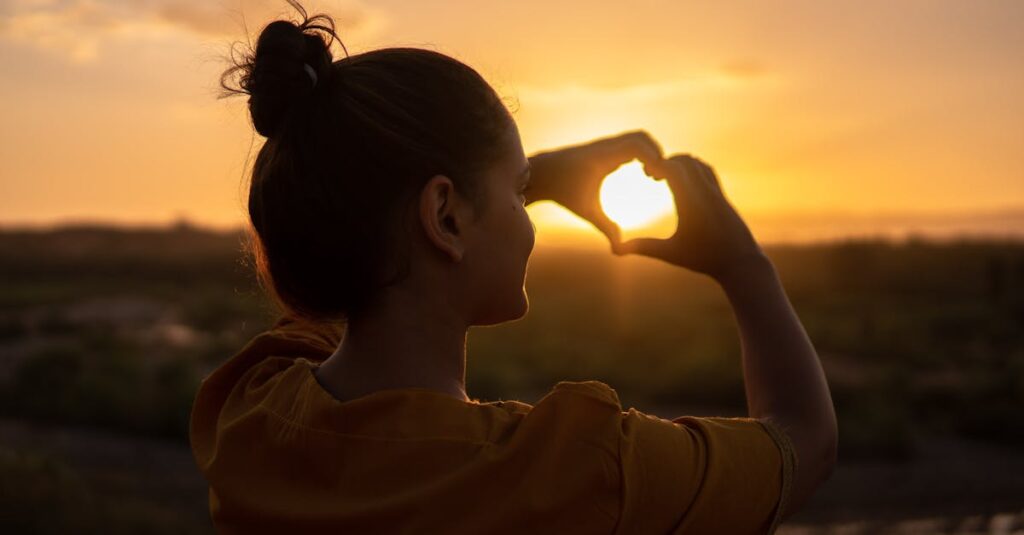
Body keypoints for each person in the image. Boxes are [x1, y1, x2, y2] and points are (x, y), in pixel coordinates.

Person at [189, 2, 838, 533]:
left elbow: (357, 245)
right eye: (519, 191)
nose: (528, 214)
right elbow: (802, 440)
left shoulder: (251, 412)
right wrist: (744, 265)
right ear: (444, 216)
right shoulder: (574, 471)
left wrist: (511, 182)